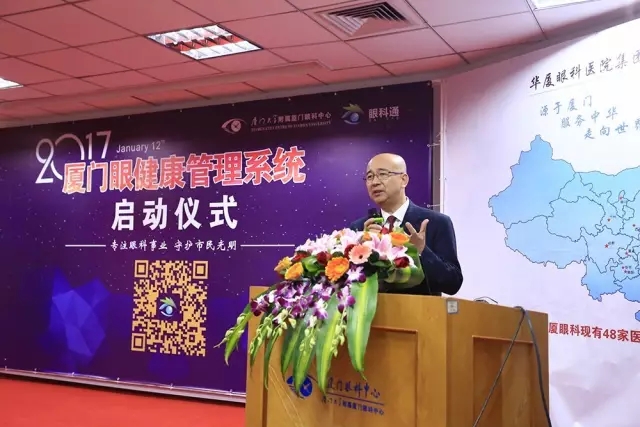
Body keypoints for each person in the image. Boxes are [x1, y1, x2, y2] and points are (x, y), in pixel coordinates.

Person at [349, 153, 463, 296]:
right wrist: (361, 251)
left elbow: (453, 283)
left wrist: (421, 251)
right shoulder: (359, 228)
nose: (374, 182)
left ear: (403, 180)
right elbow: (349, 285)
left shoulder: (436, 222)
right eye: (370, 177)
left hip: (420, 309)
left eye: (382, 174)